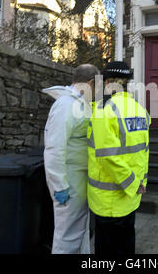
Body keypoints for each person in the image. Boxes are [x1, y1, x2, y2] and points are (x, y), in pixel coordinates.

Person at [87, 61, 150, 255]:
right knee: (126, 246)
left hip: (109, 201)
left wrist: (131, 184)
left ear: (108, 82)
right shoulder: (139, 109)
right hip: (131, 197)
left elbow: (108, 157)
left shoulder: (103, 110)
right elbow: (142, 151)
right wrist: (138, 184)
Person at [43, 64, 99, 254]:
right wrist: (60, 185)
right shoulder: (66, 105)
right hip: (69, 182)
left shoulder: (79, 104)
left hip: (78, 180)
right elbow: (54, 148)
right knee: (67, 236)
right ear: (91, 83)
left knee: (79, 232)